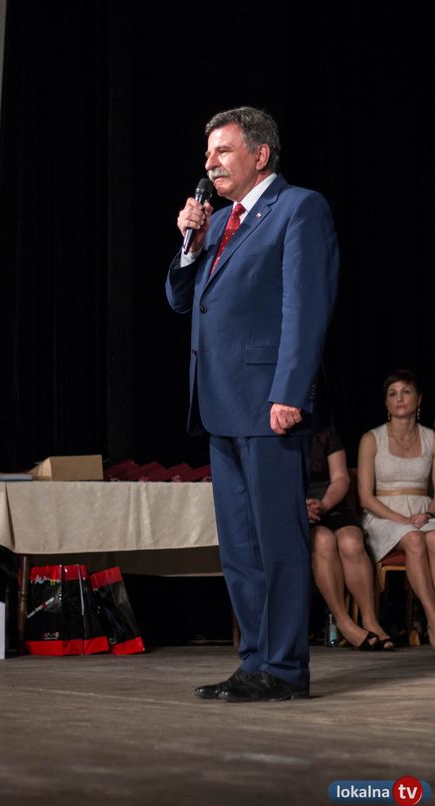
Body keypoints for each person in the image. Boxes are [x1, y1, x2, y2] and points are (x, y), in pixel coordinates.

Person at [166, 106, 339, 701]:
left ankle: (285, 669)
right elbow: (182, 301)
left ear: (260, 155)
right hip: (220, 404)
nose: (210, 163)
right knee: (240, 548)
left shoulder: (299, 208)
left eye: (223, 151)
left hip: (269, 404)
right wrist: (190, 244)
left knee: (278, 543)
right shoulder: (216, 223)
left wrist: (290, 392)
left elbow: (305, 308)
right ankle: (255, 663)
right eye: (208, 153)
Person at [358, 370, 435, 647]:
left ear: (419, 399)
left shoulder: (431, 438)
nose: (399, 398)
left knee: (433, 538)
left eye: (406, 392)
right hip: (383, 515)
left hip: (422, 513)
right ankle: (433, 618)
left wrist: (427, 514)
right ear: (386, 403)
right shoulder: (371, 439)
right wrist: (403, 519)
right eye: (393, 394)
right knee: (414, 539)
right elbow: (366, 497)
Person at [308, 427, 393, 650]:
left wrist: (323, 505)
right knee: (323, 540)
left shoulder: (325, 433)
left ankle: (370, 620)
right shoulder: (275, 436)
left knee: (351, 542)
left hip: (332, 504)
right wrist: (300, 507)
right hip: (296, 509)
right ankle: (344, 622)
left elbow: (341, 478)